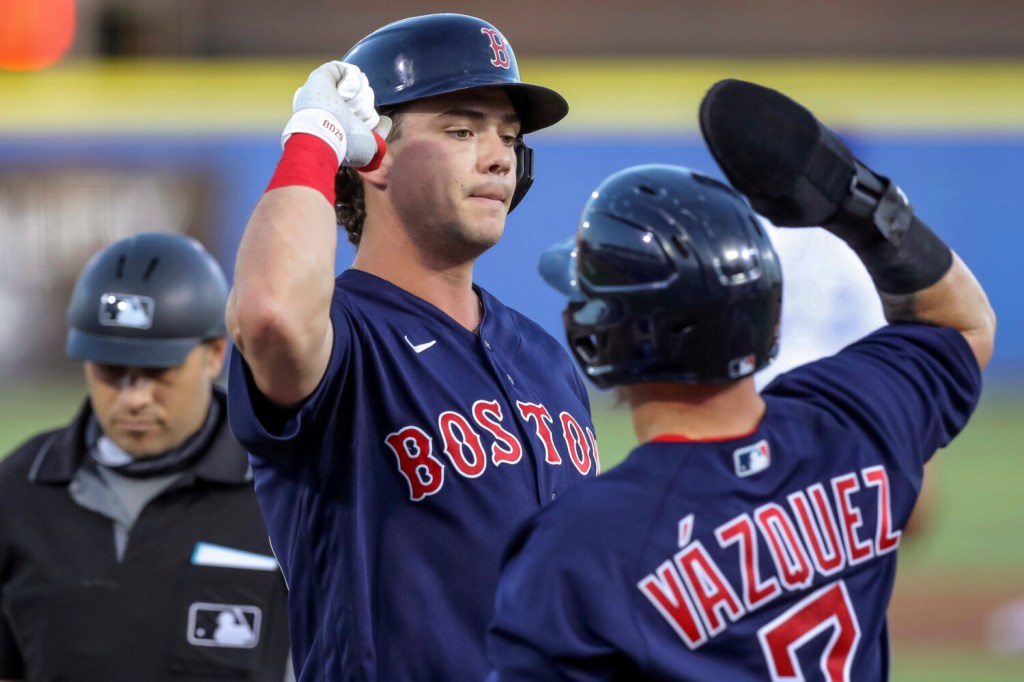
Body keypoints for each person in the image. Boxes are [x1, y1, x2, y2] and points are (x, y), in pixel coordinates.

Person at [486, 79, 995, 680]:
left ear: (607, 337)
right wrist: (862, 205)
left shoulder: (581, 546)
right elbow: (965, 324)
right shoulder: (856, 421)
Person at [224, 13, 598, 681]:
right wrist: (317, 136)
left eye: (509, 137)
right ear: (374, 157)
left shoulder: (545, 359)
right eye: (462, 129)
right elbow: (270, 313)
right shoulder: (346, 340)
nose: (498, 156)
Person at [0, 232, 292, 681]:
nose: (133, 398)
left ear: (215, 355)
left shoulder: (282, 493)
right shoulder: (19, 489)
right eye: (110, 371)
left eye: (158, 372)